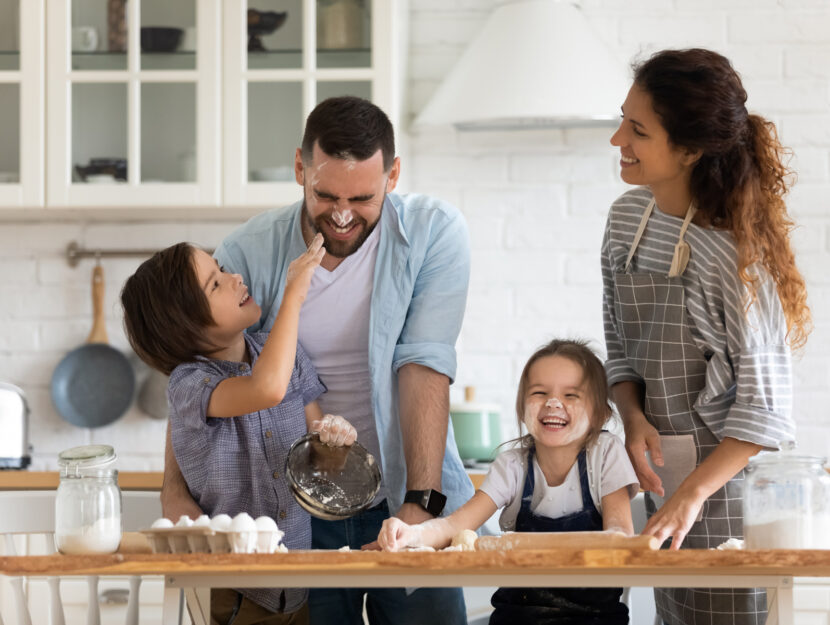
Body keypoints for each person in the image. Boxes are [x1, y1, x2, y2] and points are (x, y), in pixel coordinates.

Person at [159, 95, 474, 625]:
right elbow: (202, 376)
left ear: (393, 174)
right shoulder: (248, 255)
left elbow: (423, 365)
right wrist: (173, 489)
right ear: (300, 168)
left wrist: (420, 505)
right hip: (295, 512)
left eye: (363, 197)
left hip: (409, 493)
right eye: (325, 194)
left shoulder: (433, 234)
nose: (343, 215)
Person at [602, 48, 812, 625]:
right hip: (663, 476)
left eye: (638, 130)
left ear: (690, 149)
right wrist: (633, 416)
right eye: (623, 119)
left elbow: (764, 412)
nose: (618, 138)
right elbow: (618, 345)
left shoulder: (731, 257)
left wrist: (691, 495)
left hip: (730, 499)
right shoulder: (625, 221)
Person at [122, 234, 359, 624]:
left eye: (222, 269)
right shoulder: (189, 385)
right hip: (232, 595)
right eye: (215, 283)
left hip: (297, 587)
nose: (235, 279)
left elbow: (320, 460)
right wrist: (294, 295)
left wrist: (335, 438)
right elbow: (264, 389)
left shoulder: (286, 354)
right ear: (185, 326)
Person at [378, 339, 639, 625]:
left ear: (600, 413)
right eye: (540, 392)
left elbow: (620, 537)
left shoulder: (605, 454)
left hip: (595, 618)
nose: (553, 403)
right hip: (518, 616)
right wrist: (410, 534)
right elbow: (455, 526)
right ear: (521, 408)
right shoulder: (513, 465)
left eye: (571, 395)